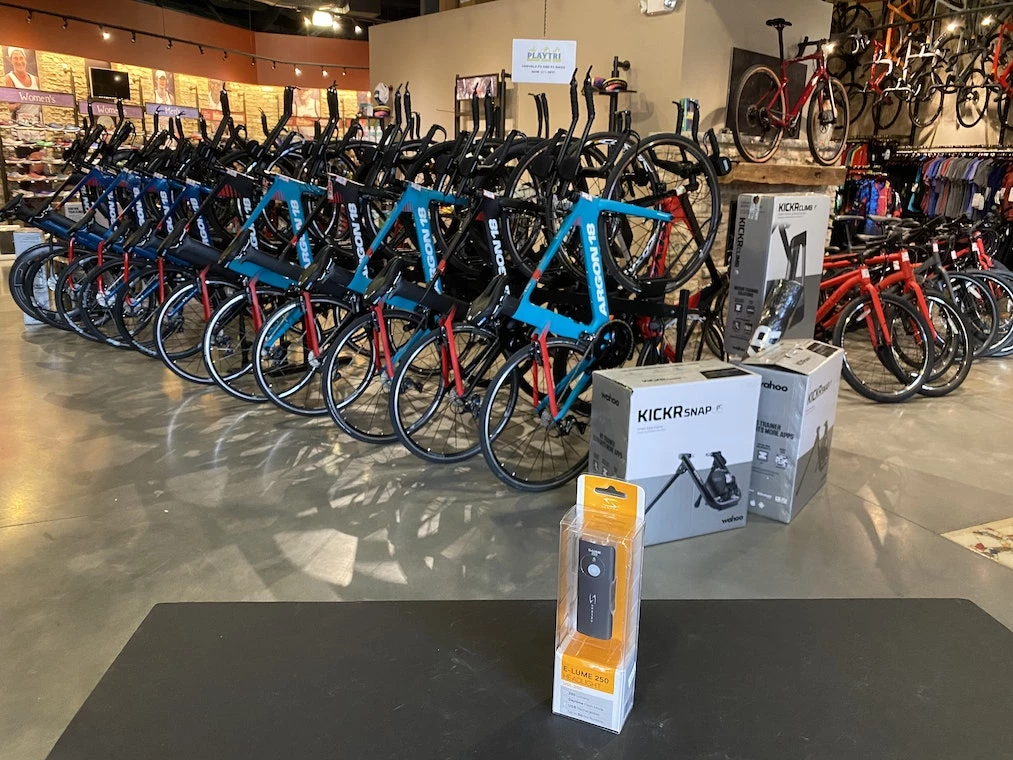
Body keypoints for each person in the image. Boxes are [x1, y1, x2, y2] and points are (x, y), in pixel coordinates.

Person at [4, 47, 42, 123]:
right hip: (18, 123)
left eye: (21, 58)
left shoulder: (36, 80)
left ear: (25, 59)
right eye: (15, 58)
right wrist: (16, 106)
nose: (19, 61)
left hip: (36, 122)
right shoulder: (9, 79)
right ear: (11, 60)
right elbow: (5, 106)